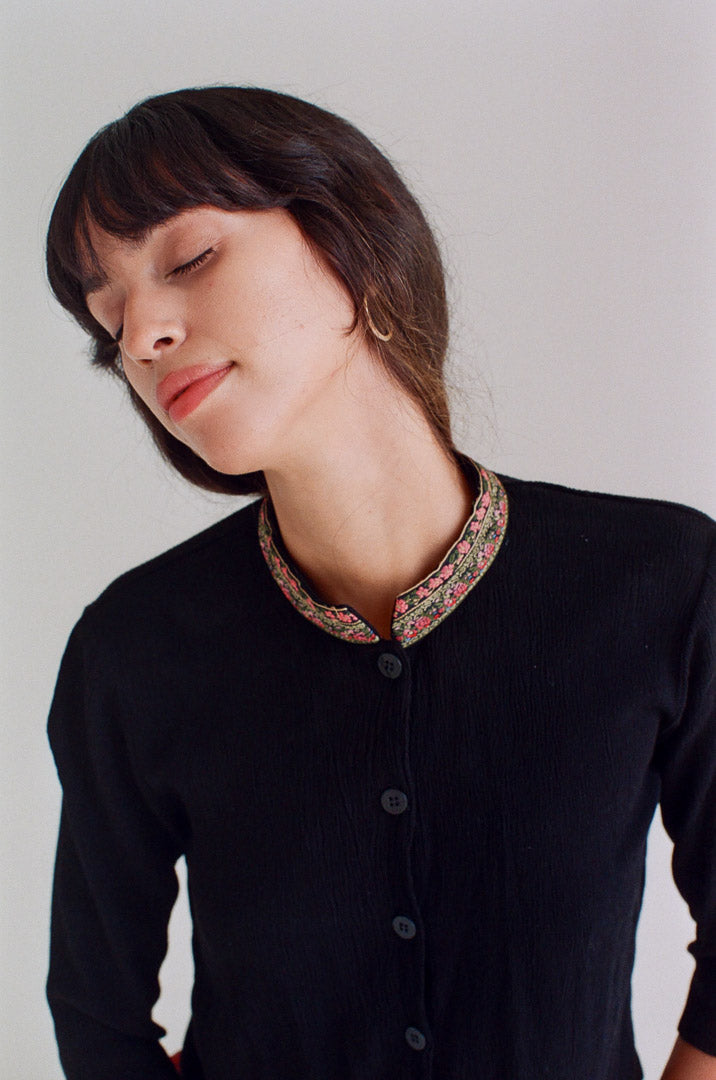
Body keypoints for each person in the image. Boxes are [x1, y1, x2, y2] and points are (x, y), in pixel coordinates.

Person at [44, 86, 715, 1080]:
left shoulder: (660, 584)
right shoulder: (134, 652)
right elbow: (97, 1016)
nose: (140, 336)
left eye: (188, 259)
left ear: (348, 243)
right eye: (109, 327)